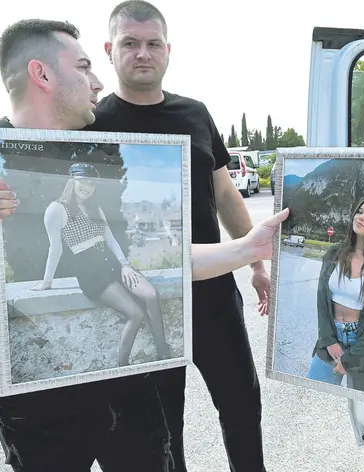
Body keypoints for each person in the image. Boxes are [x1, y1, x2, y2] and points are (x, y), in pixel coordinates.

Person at [0, 17, 289, 471]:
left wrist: (251, 254)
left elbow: (181, 232)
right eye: (85, 66)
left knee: (228, 411)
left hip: (148, 363)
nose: (95, 80)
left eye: (154, 43)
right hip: (40, 403)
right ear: (43, 74)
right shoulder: (70, 137)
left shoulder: (163, 124)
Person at [85, 2, 268, 469]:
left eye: (152, 44)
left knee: (243, 407)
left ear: (168, 50)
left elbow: (225, 195)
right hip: (146, 294)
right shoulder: (92, 124)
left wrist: (256, 262)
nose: (142, 53)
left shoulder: (196, 114)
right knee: (166, 427)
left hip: (213, 294)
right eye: (130, 43)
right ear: (110, 50)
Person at [36, 162, 170, 367]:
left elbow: (111, 239)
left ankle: (164, 354)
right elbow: (55, 248)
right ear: (71, 180)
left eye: (92, 183)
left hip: (113, 264)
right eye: (83, 181)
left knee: (151, 295)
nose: (87, 187)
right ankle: (122, 365)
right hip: (91, 273)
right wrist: (47, 281)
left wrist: (125, 265)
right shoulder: (57, 209)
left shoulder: (94, 208)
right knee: (135, 313)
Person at [306, 198, 364, 393]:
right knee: (313, 396)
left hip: (362, 345)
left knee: (361, 410)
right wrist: (328, 339)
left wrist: (350, 360)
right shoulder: (334, 253)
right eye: (359, 212)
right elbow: (322, 300)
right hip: (332, 336)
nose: (361, 218)